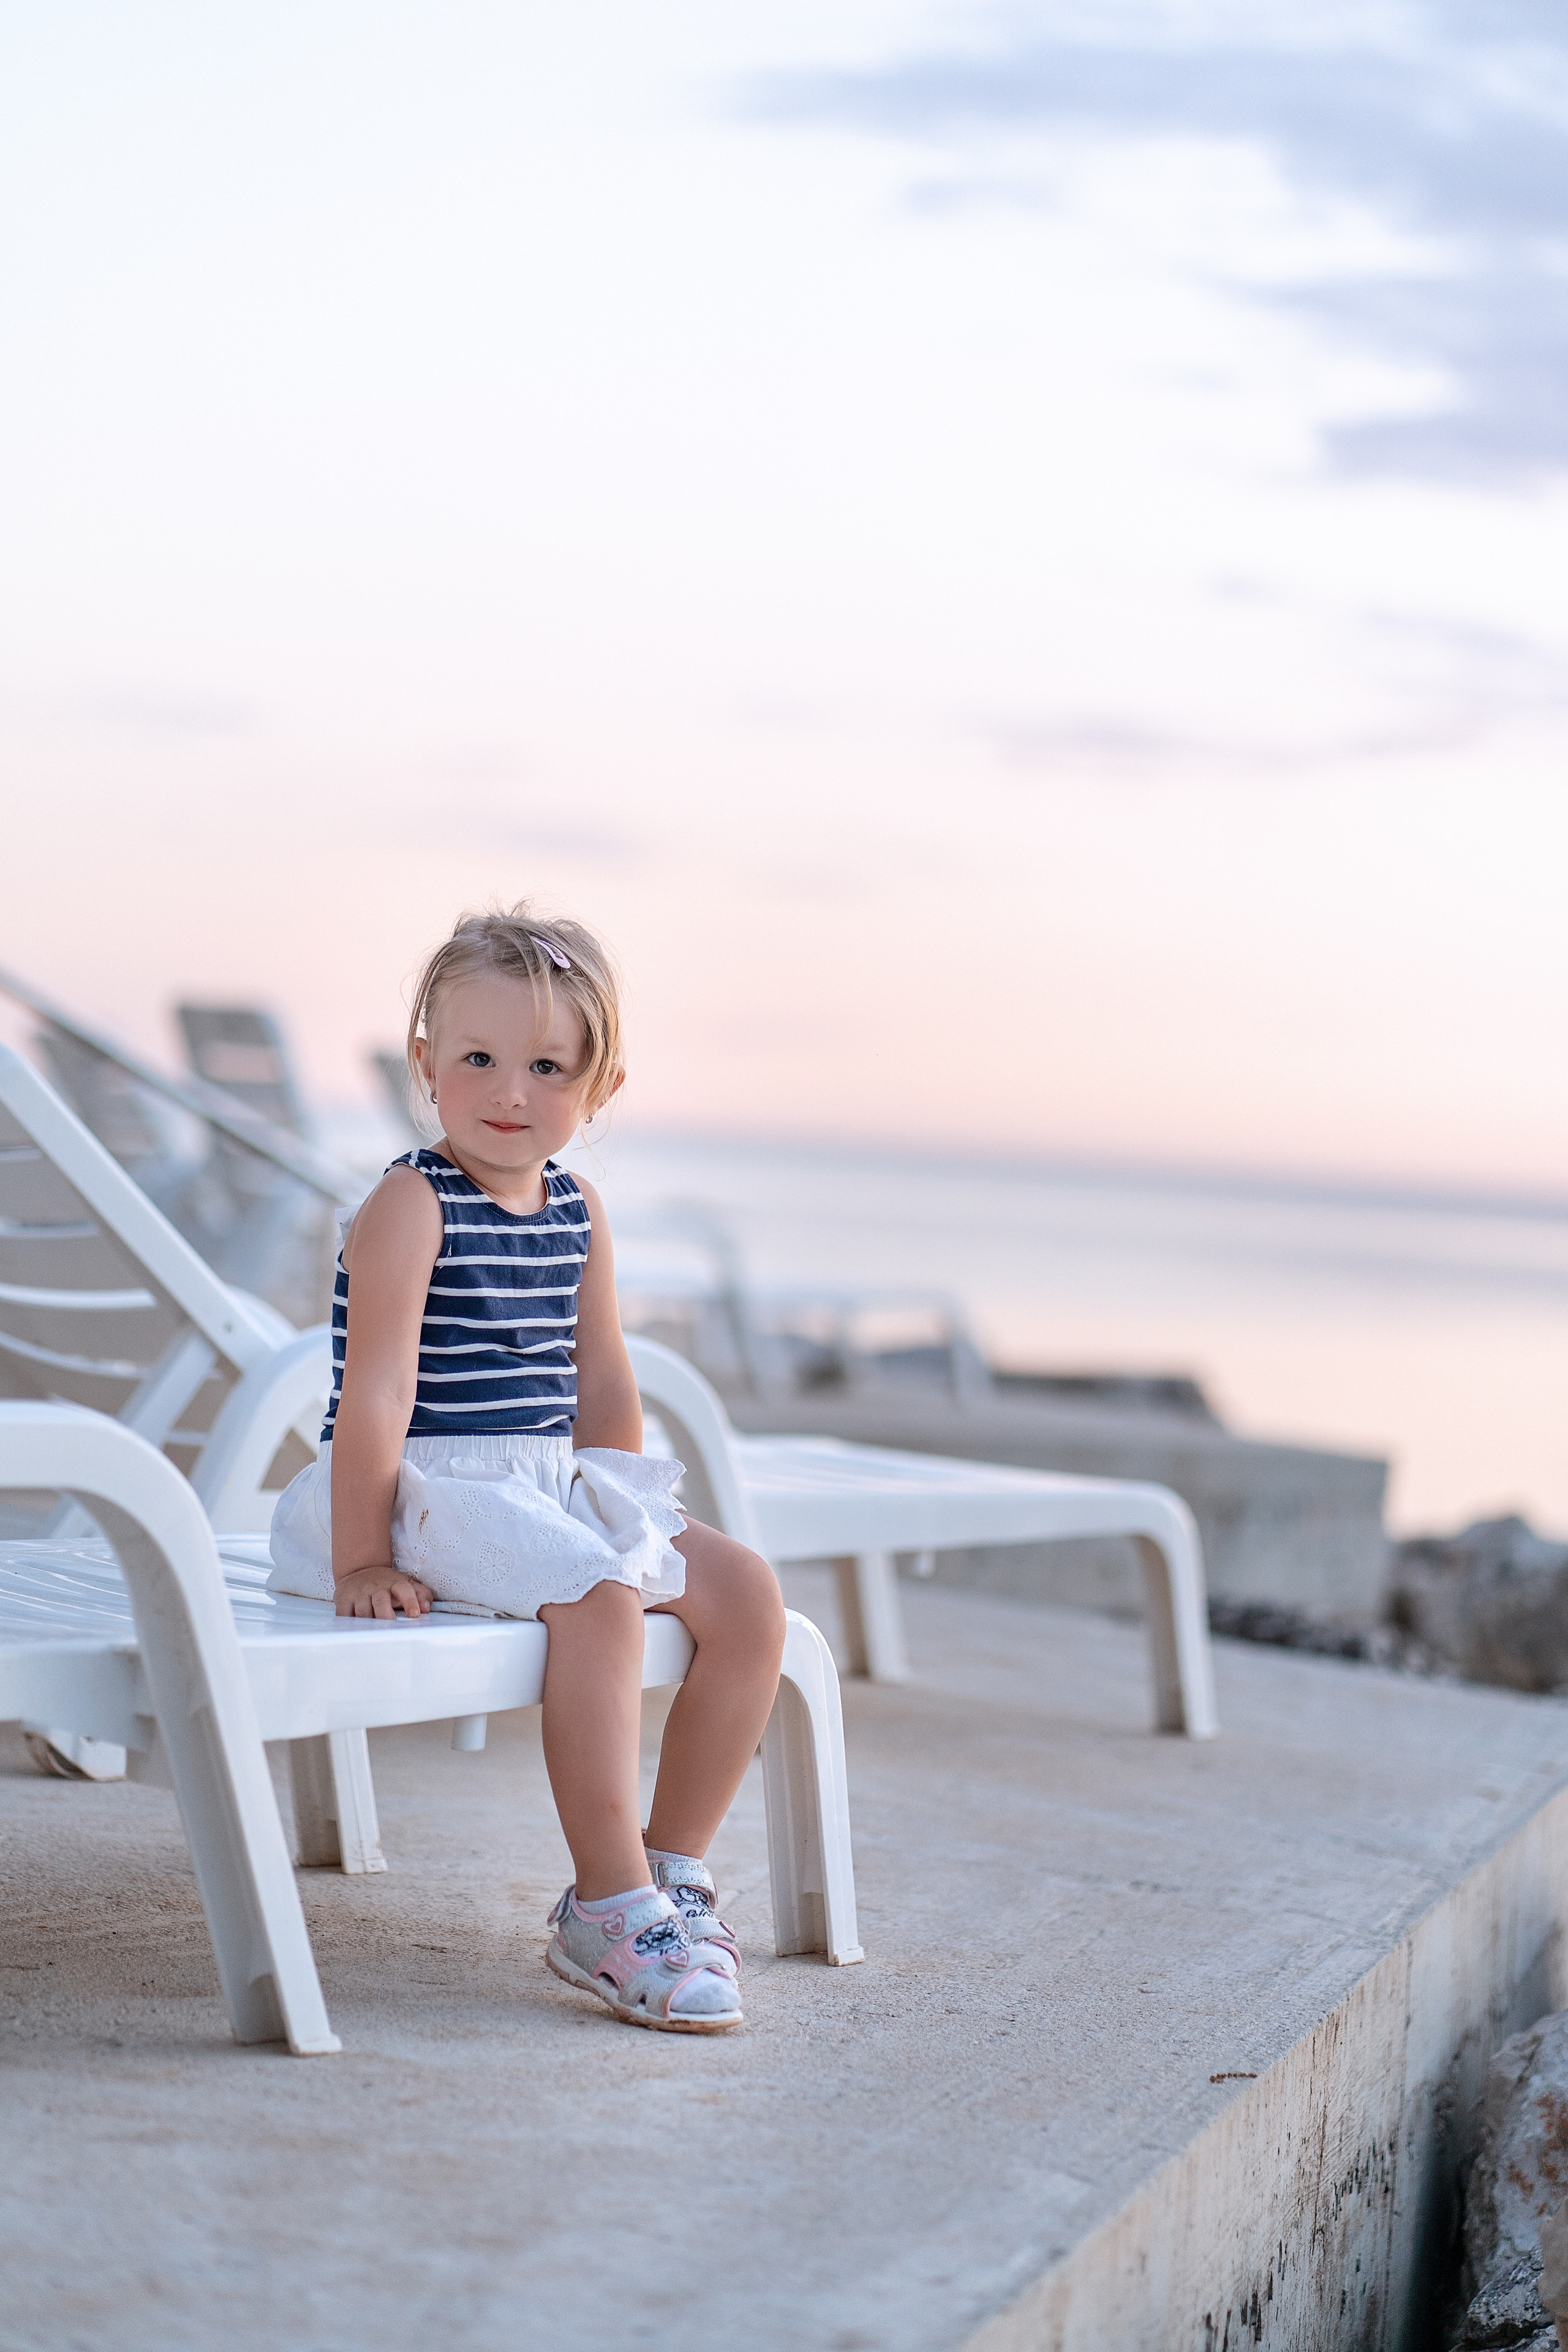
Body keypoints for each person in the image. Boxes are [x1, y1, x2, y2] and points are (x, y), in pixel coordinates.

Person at [268, 904, 786, 2033]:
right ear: (427, 1064)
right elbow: (377, 1397)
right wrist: (362, 1554)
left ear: (598, 1086)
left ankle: (672, 1873)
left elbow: (601, 1383)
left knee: (744, 1593)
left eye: (548, 1066)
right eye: (480, 1059)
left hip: (541, 1486)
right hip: (421, 1492)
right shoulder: (413, 1201)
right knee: (599, 1604)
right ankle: (605, 1911)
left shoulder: (577, 1211)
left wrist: (627, 1517)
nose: (510, 1091)